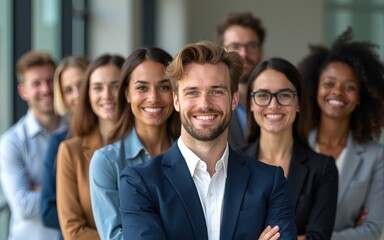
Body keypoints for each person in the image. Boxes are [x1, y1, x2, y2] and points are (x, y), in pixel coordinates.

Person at [118, 41, 297, 240]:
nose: (204, 104)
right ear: (176, 100)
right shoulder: (140, 183)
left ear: (234, 99)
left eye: (216, 91)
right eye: (192, 92)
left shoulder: (270, 182)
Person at [298, 27, 384, 240]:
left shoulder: (376, 156)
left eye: (350, 87)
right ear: (314, 89)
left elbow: (372, 231)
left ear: (360, 97)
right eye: (329, 83)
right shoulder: (294, 145)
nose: (337, 92)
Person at [241, 57, 338, 239]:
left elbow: (318, 237)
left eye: (284, 95)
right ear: (251, 103)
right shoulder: (231, 162)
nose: (273, 105)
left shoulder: (323, 168)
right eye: (262, 95)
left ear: (298, 102)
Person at [89, 47, 180, 239]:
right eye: (142, 87)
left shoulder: (192, 155)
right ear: (127, 94)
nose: (153, 98)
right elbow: (114, 236)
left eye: (164, 87)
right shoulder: (106, 161)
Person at [56, 54, 124, 239]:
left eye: (115, 86)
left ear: (128, 90)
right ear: (88, 95)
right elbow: (73, 231)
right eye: (97, 88)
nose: (106, 95)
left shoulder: (145, 144)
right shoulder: (70, 151)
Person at [0, 51, 67, 240]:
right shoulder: (11, 142)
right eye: (36, 84)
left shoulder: (76, 133)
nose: (46, 89)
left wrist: (42, 188)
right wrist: (73, 189)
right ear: (24, 91)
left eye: (50, 81)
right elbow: (23, 207)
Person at [40, 56, 90, 239]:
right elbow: (47, 212)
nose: (77, 95)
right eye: (68, 90)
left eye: (81, 84)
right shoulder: (60, 143)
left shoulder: (119, 138)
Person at [216, 12, 266, 149]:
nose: (244, 54)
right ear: (222, 50)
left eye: (251, 46)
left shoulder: (275, 100)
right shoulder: (210, 100)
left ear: (261, 51)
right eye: (235, 46)